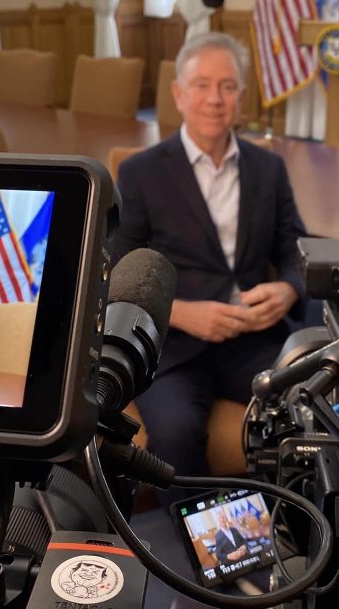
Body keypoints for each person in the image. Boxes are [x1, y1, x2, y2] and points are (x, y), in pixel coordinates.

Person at [111, 31, 307, 487]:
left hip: (254, 339)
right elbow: (117, 276)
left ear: (241, 96)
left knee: (309, 409)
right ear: (179, 94)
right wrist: (181, 313)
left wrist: (288, 288)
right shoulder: (141, 172)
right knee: (176, 433)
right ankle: (191, 551)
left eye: (227, 86)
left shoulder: (268, 168)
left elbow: (296, 249)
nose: (214, 99)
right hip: (173, 348)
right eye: (201, 85)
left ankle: (291, 526)